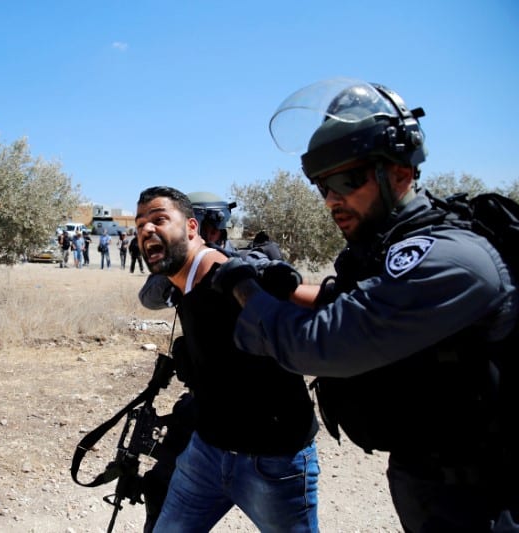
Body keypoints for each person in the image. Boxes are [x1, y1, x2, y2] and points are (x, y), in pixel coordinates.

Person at [219, 79, 518, 531]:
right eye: (322, 186)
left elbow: (318, 344)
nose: (332, 199)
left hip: (488, 499)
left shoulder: (451, 258)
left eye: (346, 179)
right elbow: (353, 300)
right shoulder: (386, 247)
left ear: (400, 172)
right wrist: (282, 286)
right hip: (431, 479)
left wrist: (244, 288)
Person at [135, 185, 319, 532]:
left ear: (192, 228)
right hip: (208, 449)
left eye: (159, 219)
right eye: (140, 223)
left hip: (273, 459)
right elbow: (149, 297)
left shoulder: (230, 275)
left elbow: (310, 310)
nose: (146, 230)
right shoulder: (179, 280)